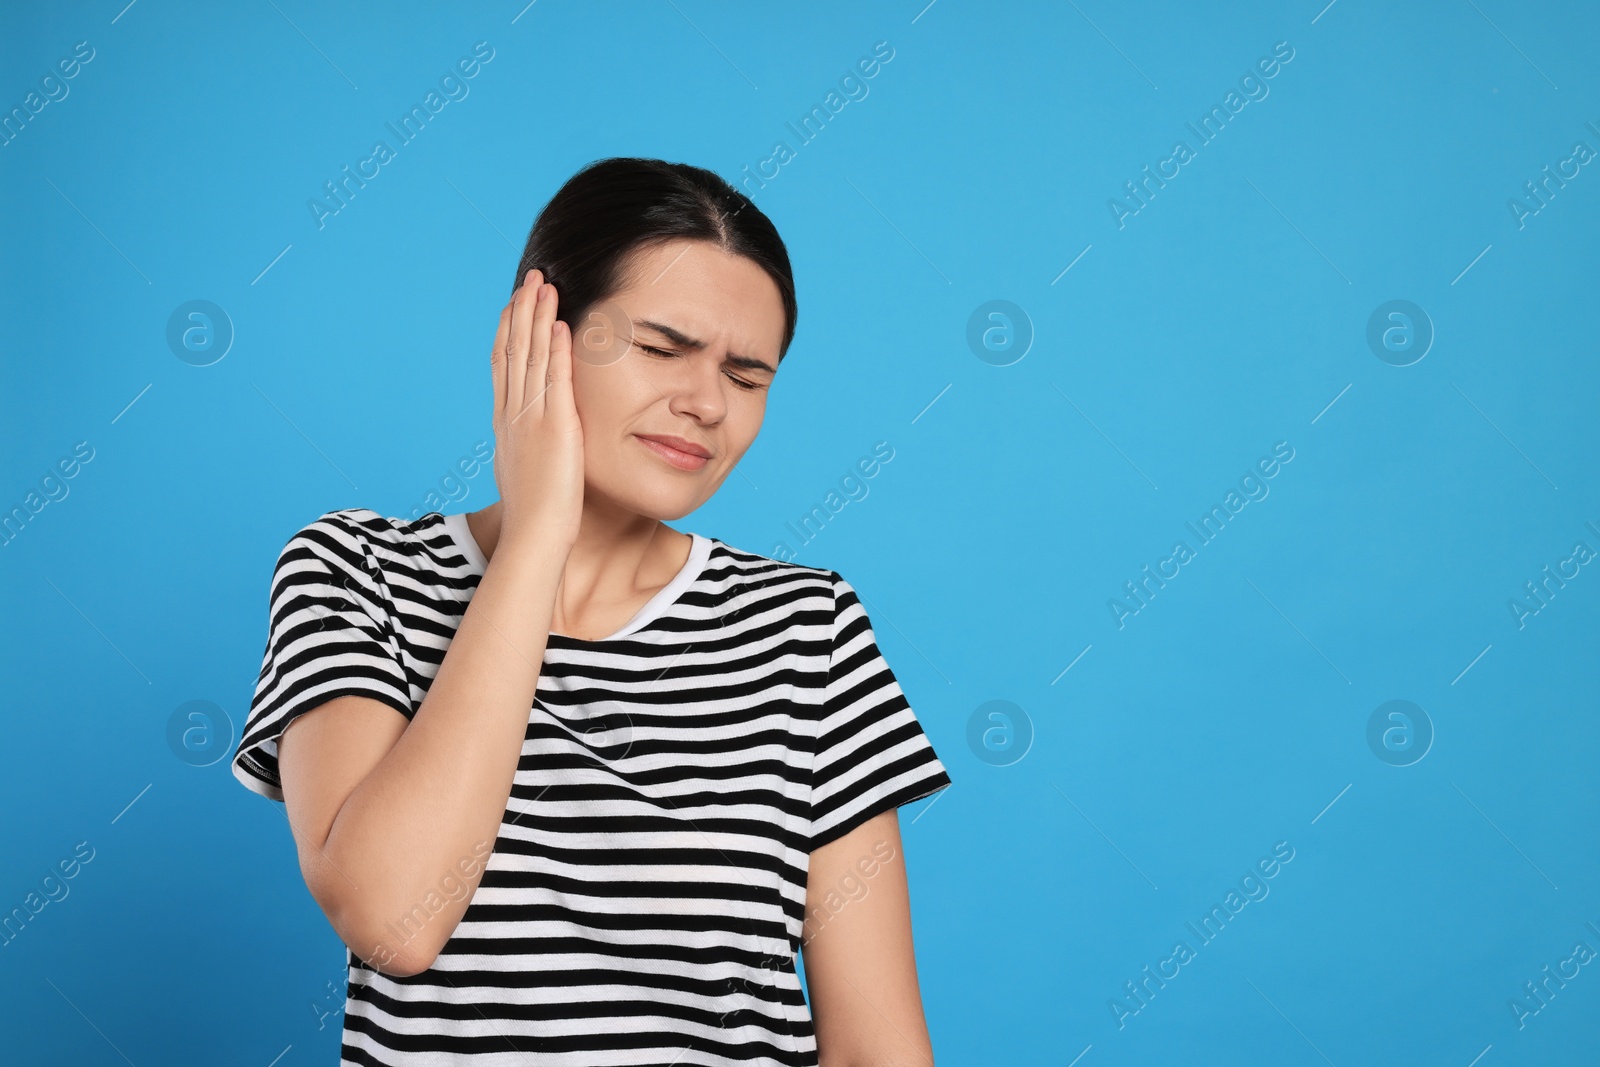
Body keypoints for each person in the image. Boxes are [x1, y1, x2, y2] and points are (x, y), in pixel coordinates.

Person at [232, 157, 953, 1066]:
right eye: (661, 348)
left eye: (747, 374)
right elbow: (391, 918)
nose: (704, 403)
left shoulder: (810, 629)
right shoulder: (359, 572)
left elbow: (877, 1050)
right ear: (540, 333)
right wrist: (537, 534)